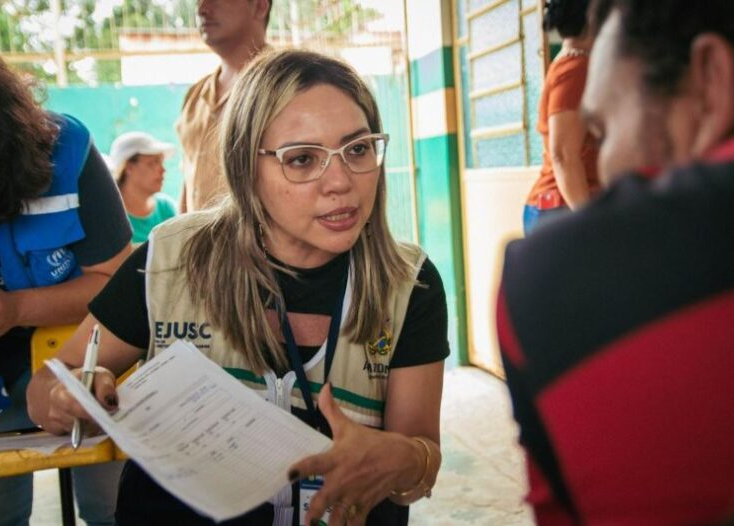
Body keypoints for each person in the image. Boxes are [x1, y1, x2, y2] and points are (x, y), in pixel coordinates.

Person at [27, 49, 448, 526]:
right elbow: (46, 387)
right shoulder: (169, 263)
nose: (341, 182)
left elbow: (420, 464)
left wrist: (405, 459)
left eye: (358, 149)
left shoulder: (408, 284)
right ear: (246, 167)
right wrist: (68, 399)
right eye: (303, 159)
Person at [497, 0, 734, 523]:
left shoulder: (545, 281)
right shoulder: (572, 69)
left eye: (605, 130)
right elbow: (567, 158)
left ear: (712, 82)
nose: (607, 158)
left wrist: (588, 238)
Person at [0, 37, 132, 525]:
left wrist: (14, 310)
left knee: (112, 506)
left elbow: (119, 289)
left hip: (86, 366)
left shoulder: (62, 150)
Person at [176, 0, 271, 212]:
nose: (202, 9)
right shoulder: (196, 95)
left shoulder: (284, 87)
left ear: (260, 6)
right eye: (199, 1)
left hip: (257, 244)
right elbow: (190, 181)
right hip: (201, 242)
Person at [523, 0, 600, 234]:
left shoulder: (573, 63)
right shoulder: (576, 69)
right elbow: (563, 155)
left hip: (561, 209)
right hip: (561, 210)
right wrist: (591, 223)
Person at [109, 131, 178, 244]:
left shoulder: (166, 208)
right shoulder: (109, 215)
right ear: (129, 167)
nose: (163, 170)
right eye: (153, 163)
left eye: (162, 162)